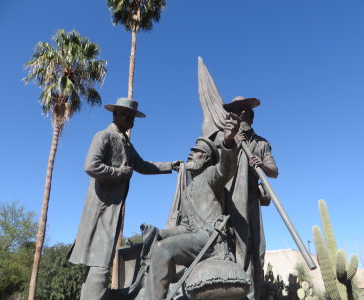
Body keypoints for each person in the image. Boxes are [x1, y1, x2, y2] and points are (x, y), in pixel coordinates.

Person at [67, 97, 181, 300]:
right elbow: (91, 165)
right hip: (101, 206)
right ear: (115, 114)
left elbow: (143, 166)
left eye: (132, 115)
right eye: (126, 114)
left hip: (113, 208)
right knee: (99, 258)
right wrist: (117, 172)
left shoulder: (126, 143)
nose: (130, 118)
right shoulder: (104, 136)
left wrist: (170, 166)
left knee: (103, 256)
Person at [144, 113, 241, 300]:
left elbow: (226, 170)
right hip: (196, 239)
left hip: (212, 239)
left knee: (164, 249)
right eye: (191, 150)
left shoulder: (210, 176)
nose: (190, 153)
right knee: (158, 246)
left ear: (205, 158)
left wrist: (228, 142)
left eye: (196, 151)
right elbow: (185, 227)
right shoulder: (188, 191)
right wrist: (159, 232)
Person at [223, 96, 279, 300]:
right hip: (228, 198)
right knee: (234, 246)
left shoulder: (261, 143)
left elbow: (274, 171)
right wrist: (229, 140)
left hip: (251, 200)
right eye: (238, 110)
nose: (243, 114)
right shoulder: (226, 137)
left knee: (257, 247)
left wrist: (261, 165)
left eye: (246, 110)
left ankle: (254, 293)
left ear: (251, 115)